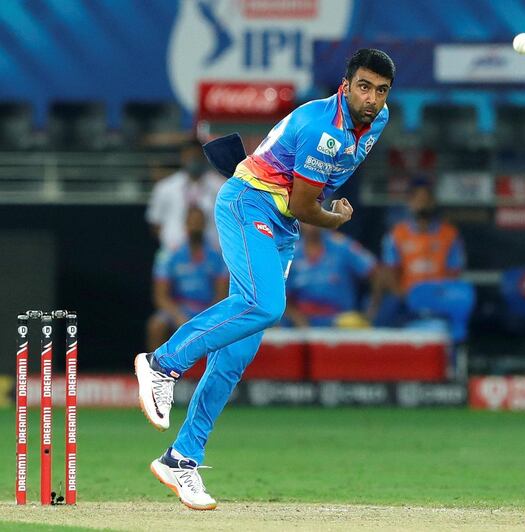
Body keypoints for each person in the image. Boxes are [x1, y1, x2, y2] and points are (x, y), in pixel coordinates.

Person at [134, 49, 395, 509]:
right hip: (247, 204)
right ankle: (162, 364)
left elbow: (301, 201)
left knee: (235, 356)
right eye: (364, 87)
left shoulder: (377, 119)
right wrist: (334, 220)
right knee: (265, 305)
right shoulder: (323, 129)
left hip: (282, 225)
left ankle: (181, 459)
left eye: (381, 90)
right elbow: (304, 204)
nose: (372, 99)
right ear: (345, 85)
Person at [147, 207, 228, 352]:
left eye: (199, 222)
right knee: (156, 325)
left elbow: (222, 295)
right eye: (192, 222)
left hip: (207, 309)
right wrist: (178, 315)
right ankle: (157, 371)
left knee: (230, 329)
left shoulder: (218, 255)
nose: (195, 226)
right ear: (185, 224)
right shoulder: (169, 254)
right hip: (179, 308)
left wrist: (207, 318)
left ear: (205, 225)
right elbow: (160, 295)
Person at [380, 179, 465, 311]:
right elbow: (390, 272)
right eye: (418, 200)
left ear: (433, 202)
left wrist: (440, 297)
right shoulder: (396, 235)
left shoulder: (449, 234)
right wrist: (403, 297)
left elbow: (454, 272)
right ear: (410, 203)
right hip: (406, 300)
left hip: (440, 300)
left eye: (426, 200)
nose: (422, 204)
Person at [284, 223, 379, 327]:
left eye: (314, 213)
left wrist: (371, 311)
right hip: (303, 323)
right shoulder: (291, 251)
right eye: (306, 217)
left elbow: (376, 273)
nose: (311, 224)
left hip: (341, 321)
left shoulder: (342, 246)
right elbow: (280, 294)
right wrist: (296, 317)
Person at [146, 138, 225, 250]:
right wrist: (170, 242)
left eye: (197, 156)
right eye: (190, 156)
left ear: (205, 158)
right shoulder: (165, 188)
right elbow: (155, 223)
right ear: (182, 158)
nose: (193, 160)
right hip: (173, 252)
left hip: (213, 254)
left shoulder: (220, 187)